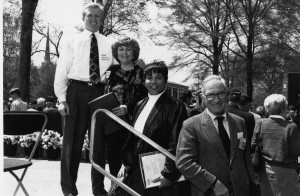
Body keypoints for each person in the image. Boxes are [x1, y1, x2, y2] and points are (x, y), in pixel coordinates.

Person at [54, 3, 115, 196]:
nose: (94, 19)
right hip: (76, 92)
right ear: (83, 18)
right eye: (90, 15)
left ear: (102, 19)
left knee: (98, 145)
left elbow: (119, 64)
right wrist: (62, 99)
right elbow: (61, 70)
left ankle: (99, 189)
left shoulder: (108, 42)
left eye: (98, 16)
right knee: (72, 143)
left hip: (99, 93)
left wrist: (137, 60)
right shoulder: (72, 40)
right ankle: (69, 189)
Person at [116, 61, 189, 196]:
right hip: (136, 170)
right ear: (144, 81)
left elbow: (177, 143)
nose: (153, 81)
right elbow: (132, 138)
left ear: (166, 80)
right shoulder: (140, 104)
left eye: (158, 78)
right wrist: (125, 163)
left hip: (158, 173)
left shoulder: (175, 106)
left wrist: (168, 174)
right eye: (149, 77)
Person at [176, 75, 257, 196]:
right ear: (203, 97)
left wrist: (253, 184)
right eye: (210, 95)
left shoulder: (239, 122)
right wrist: (212, 184)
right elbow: (184, 162)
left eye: (221, 94)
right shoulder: (191, 125)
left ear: (227, 95)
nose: (217, 99)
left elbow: (243, 153)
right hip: (209, 192)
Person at [104, 36, 148, 195]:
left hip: (135, 122)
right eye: (121, 49)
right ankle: (115, 189)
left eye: (128, 49)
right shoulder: (110, 71)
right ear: (116, 52)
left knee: (133, 158)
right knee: (114, 158)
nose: (124, 52)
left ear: (134, 52)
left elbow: (145, 97)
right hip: (114, 121)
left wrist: (128, 108)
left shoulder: (142, 72)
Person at [251, 94, 300, 196]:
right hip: (287, 172)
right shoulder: (291, 127)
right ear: (283, 108)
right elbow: (296, 152)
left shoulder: (260, 123)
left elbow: (253, 145)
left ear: (267, 108)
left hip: (265, 171)